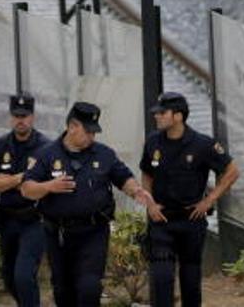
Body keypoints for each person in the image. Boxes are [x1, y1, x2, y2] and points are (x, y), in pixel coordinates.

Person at [22, 101, 156, 307]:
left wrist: (136, 190)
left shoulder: (104, 154)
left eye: (95, 132)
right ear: (72, 127)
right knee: (62, 290)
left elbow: (123, 177)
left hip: (93, 232)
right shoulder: (46, 155)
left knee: (89, 288)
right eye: (88, 131)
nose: (93, 137)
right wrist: (49, 186)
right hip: (58, 234)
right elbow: (27, 189)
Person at [140, 92, 240, 307]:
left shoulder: (202, 144)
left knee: (191, 279)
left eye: (162, 113)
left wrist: (210, 199)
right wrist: (149, 204)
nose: (157, 117)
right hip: (161, 220)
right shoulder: (153, 141)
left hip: (191, 221)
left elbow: (232, 171)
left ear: (178, 116)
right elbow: (147, 173)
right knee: (162, 277)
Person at [0, 92, 52, 307]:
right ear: (11, 117)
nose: (21, 120)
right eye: (16, 115)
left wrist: (3, 180)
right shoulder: (0, 145)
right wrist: (21, 177)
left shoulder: (45, 147)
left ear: (33, 117)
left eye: (25, 115)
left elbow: (43, 186)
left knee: (23, 275)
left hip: (34, 219)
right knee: (9, 277)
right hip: (8, 219)